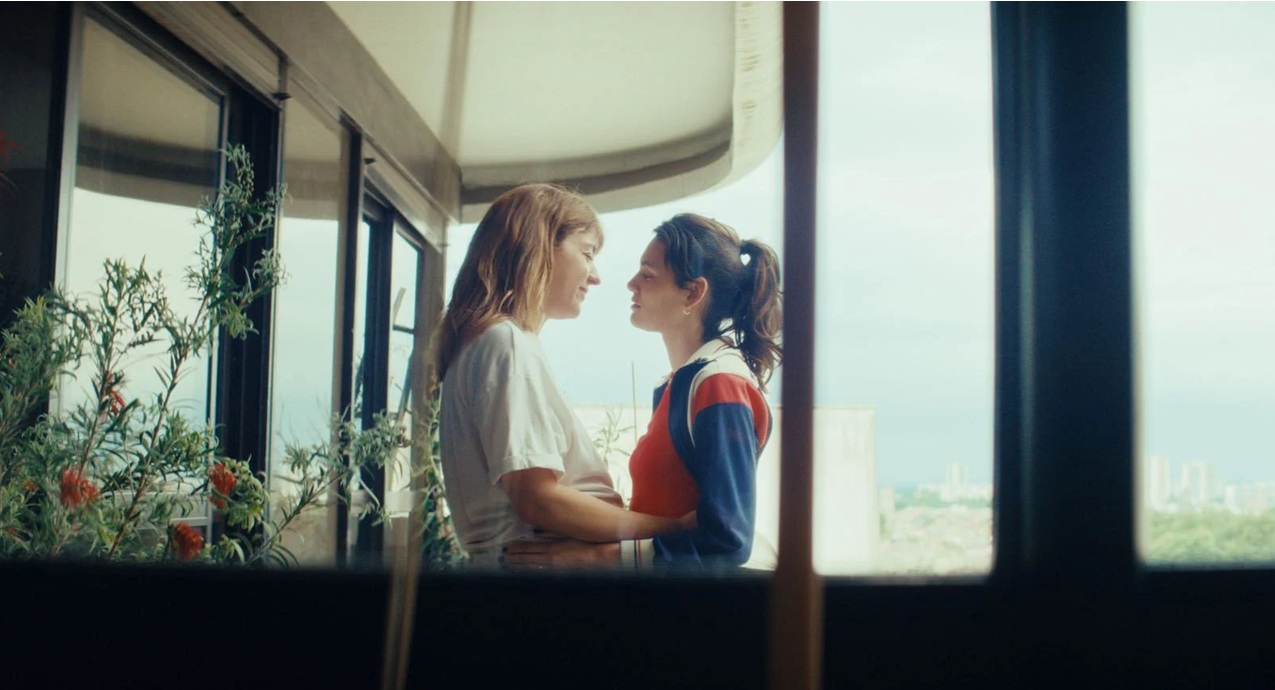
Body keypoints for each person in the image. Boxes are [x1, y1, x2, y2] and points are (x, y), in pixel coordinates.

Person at [432, 183, 691, 569]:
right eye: (587, 253)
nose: (595, 276)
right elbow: (537, 499)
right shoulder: (505, 342)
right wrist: (675, 530)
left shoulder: (487, 342)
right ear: (539, 246)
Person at [505, 212, 782, 570]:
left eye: (648, 275)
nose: (631, 284)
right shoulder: (683, 382)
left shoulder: (719, 383)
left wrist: (595, 557)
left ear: (693, 293)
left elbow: (728, 540)